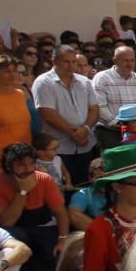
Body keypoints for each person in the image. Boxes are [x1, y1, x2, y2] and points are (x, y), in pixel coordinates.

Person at [0, 143, 69, 269]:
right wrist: (22, 192)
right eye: (22, 165)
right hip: (15, 231)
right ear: (8, 166)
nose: (28, 169)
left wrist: (63, 240)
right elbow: (7, 222)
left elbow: (60, 212)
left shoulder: (44, 179)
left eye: (31, 163)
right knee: (14, 235)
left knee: (54, 257)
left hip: (40, 226)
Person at [32, 45, 99, 185]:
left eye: (73, 61)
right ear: (54, 61)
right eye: (66, 61)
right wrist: (75, 135)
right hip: (58, 148)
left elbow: (94, 108)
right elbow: (48, 114)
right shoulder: (43, 82)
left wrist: (85, 129)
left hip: (85, 144)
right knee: (61, 187)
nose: (71, 66)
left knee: (83, 184)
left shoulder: (84, 81)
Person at [0, 55, 33, 179]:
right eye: (7, 71)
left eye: (15, 70)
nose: (13, 74)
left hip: (24, 157)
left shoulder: (20, 94)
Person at [92, 45, 136, 150]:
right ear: (115, 60)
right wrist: (117, 124)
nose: (129, 64)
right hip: (110, 132)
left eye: (132, 60)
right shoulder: (102, 78)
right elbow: (100, 106)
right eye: (125, 60)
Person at [68, 157, 107, 231]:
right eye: (100, 178)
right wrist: (104, 233)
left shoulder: (121, 190)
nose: (104, 182)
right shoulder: (82, 194)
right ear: (90, 178)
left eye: (108, 177)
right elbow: (74, 216)